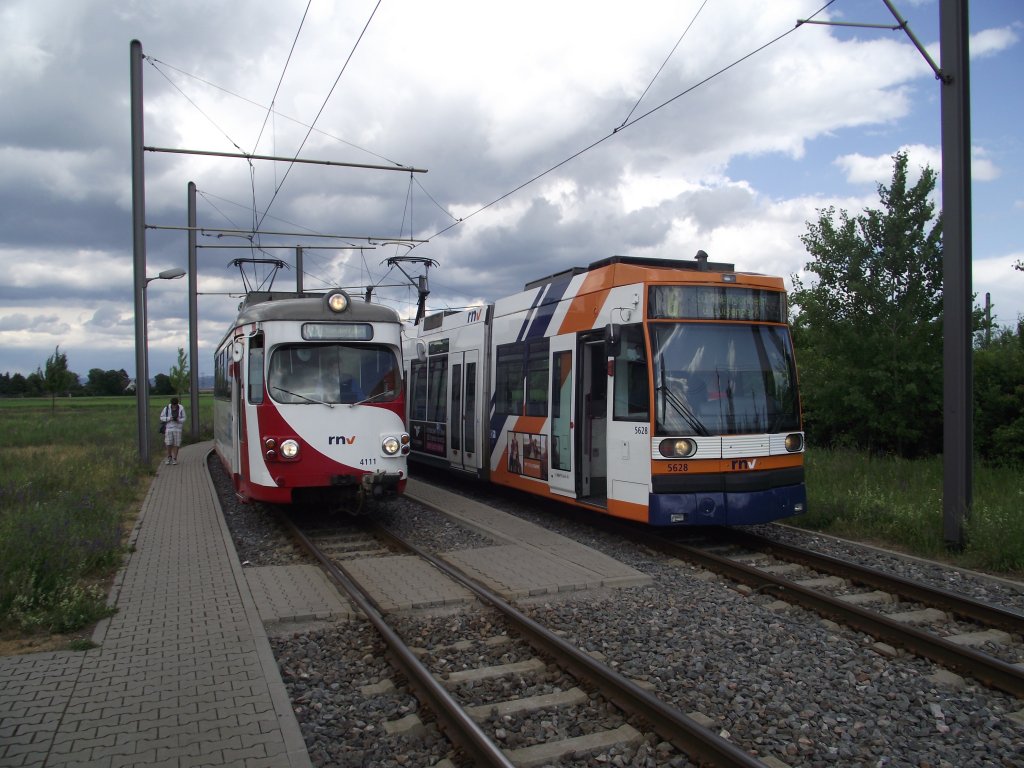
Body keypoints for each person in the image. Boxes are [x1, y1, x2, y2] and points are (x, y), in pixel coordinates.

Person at [160, 397, 186, 465]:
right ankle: (169, 457)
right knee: (168, 443)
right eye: (173, 405)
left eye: (175, 405)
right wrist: (169, 418)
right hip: (169, 427)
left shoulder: (181, 408)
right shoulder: (166, 408)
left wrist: (178, 420)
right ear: (171, 404)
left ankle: (175, 458)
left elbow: (184, 418)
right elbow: (161, 417)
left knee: (176, 443)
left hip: (178, 428)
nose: (174, 406)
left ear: (177, 404)